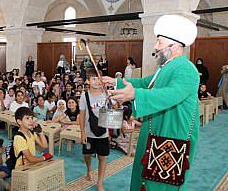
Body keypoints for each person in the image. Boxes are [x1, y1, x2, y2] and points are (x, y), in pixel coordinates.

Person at [103, 15, 200, 191]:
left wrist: (135, 95)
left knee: (161, 183)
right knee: (145, 177)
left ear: (175, 45)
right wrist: (115, 82)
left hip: (171, 135)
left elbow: (171, 94)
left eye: (160, 42)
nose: (155, 47)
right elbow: (145, 83)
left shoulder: (186, 69)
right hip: (156, 132)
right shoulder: (166, 67)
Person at [79, 69, 109, 191]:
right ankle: (89, 169)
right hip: (89, 132)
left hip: (103, 132)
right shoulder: (84, 96)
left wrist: (112, 98)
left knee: (103, 157)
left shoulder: (106, 94)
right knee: (87, 155)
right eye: (94, 79)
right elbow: (81, 116)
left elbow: (116, 108)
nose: (97, 81)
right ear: (88, 81)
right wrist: (82, 133)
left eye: (99, 78)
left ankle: (100, 182)